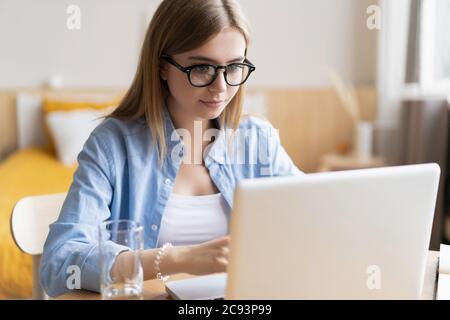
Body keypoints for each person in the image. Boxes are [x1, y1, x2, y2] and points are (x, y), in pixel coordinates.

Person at [40, 0, 302, 297]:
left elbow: (313, 212)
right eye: (202, 68)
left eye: (234, 67)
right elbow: (59, 262)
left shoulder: (258, 139)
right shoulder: (112, 145)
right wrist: (178, 258)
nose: (221, 88)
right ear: (162, 66)